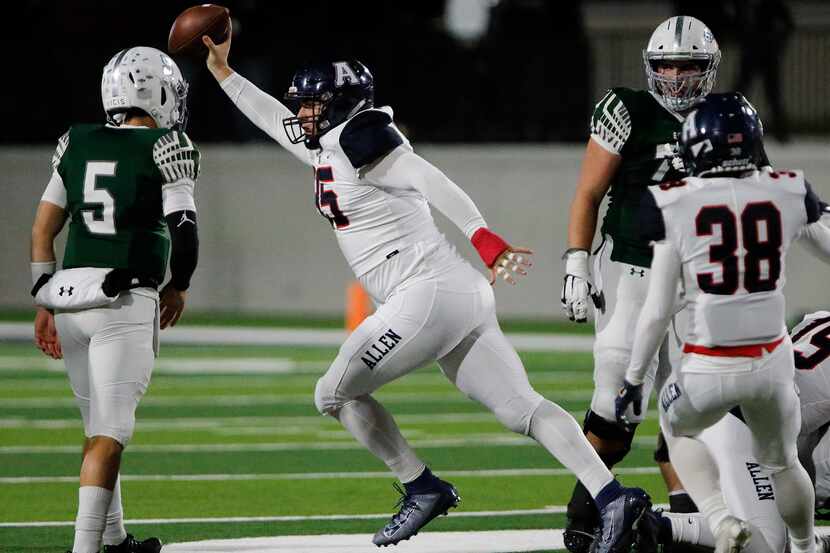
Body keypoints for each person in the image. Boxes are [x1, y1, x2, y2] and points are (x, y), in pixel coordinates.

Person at [201, 26, 652, 551]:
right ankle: (613, 496)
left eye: (312, 105)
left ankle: (421, 485)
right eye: (302, 105)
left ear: (341, 104)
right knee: (521, 408)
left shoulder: (358, 133)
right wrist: (224, 74)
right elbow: (273, 120)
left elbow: (425, 175)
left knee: (332, 393)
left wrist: (482, 234)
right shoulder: (328, 143)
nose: (301, 114)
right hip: (453, 292)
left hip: (427, 292)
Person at [616, 92, 830, 553]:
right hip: (774, 366)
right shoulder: (789, 188)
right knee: (785, 461)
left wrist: (634, 379)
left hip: (709, 365)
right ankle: (807, 545)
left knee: (677, 428)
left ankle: (715, 516)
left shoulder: (672, 202)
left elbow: (657, 310)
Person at [559, 16, 735, 551]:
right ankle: (587, 510)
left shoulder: (726, 118)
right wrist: (576, 261)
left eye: (688, 64)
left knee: (691, 404)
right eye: (666, 64)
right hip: (631, 267)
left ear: (709, 69)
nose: (676, 75)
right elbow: (589, 192)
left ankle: (685, 521)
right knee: (616, 399)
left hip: (696, 279)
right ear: (649, 66)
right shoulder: (627, 108)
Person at [31, 46, 200, 553]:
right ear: (158, 91)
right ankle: (84, 549)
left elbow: (43, 230)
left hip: (69, 302)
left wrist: (44, 298)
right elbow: (185, 232)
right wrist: (181, 283)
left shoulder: (77, 141)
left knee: (97, 425)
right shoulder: (168, 145)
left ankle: (114, 538)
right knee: (110, 433)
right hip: (122, 301)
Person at [635, 312, 830, 553]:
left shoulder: (820, 318)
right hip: (745, 419)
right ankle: (651, 522)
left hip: (714, 387)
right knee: (768, 543)